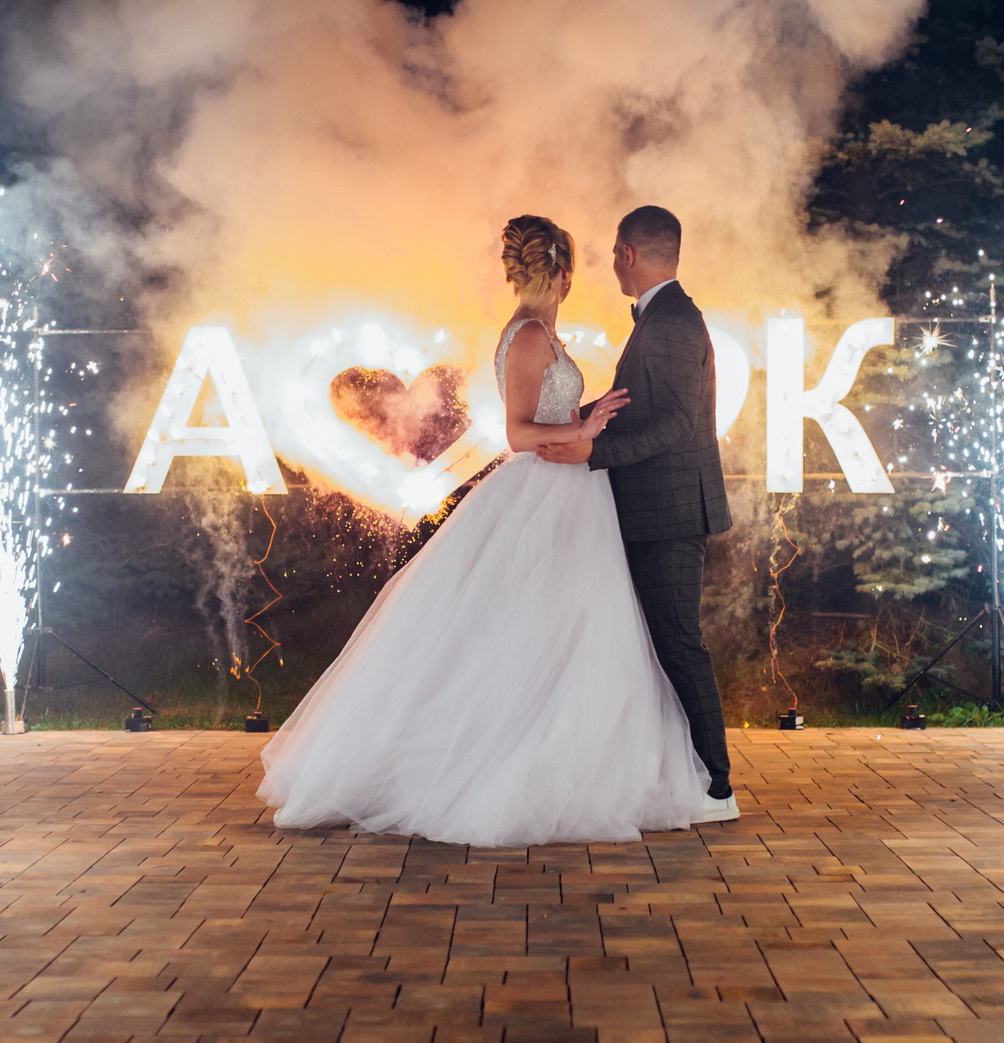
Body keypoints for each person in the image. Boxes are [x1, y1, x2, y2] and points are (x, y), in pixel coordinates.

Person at [257, 215, 715, 845]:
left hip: (569, 492)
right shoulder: (528, 334)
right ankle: (518, 766)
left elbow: (550, 416)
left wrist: (589, 419)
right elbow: (519, 433)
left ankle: (568, 762)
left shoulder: (542, 332)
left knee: (570, 632)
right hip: (548, 493)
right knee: (544, 631)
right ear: (562, 271)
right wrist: (584, 431)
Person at [536, 205, 736, 822]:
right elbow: (636, 404)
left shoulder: (671, 320)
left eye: (613, 254)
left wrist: (593, 452)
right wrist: (573, 420)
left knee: (678, 645)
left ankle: (716, 787)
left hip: (669, 513)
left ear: (628, 253)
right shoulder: (664, 316)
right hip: (657, 509)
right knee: (660, 645)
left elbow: (675, 423)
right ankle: (680, 777)